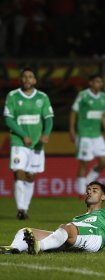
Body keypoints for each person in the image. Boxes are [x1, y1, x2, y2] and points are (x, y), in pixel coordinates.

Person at [0, 181, 105, 255]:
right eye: (88, 190)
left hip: (96, 237)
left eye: (94, 190)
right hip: (73, 234)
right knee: (26, 231)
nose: (89, 192)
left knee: (66, 228)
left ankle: (38, 246)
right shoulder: (78, 218)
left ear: (103, 197)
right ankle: (14, 248)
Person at [3, 67, 54, 220]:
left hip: (37, 143)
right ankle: (20, 210)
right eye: (24, 77)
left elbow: (49, 118)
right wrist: (23, 135)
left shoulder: (42, 97)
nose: (27, 79)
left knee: (30, 176)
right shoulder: (12, 96)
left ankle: (25, 208)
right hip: (18, 141)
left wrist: (46, 134)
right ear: (20, 80)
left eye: (30, 77)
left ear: (35, 80)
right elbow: (8, 119)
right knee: (18, 172)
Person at [69, 74, 105, 197]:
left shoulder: (103, 97)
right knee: (84, 163)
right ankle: (81, 192)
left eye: (101, 82)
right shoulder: (83, 95)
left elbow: (103, 115)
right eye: (97, 81)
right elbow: (74, 111)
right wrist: (72, 129)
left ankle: (87, 182)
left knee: (103, 162)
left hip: (97, 135)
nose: (99, 84)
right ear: (90, 83)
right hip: (84, 134)